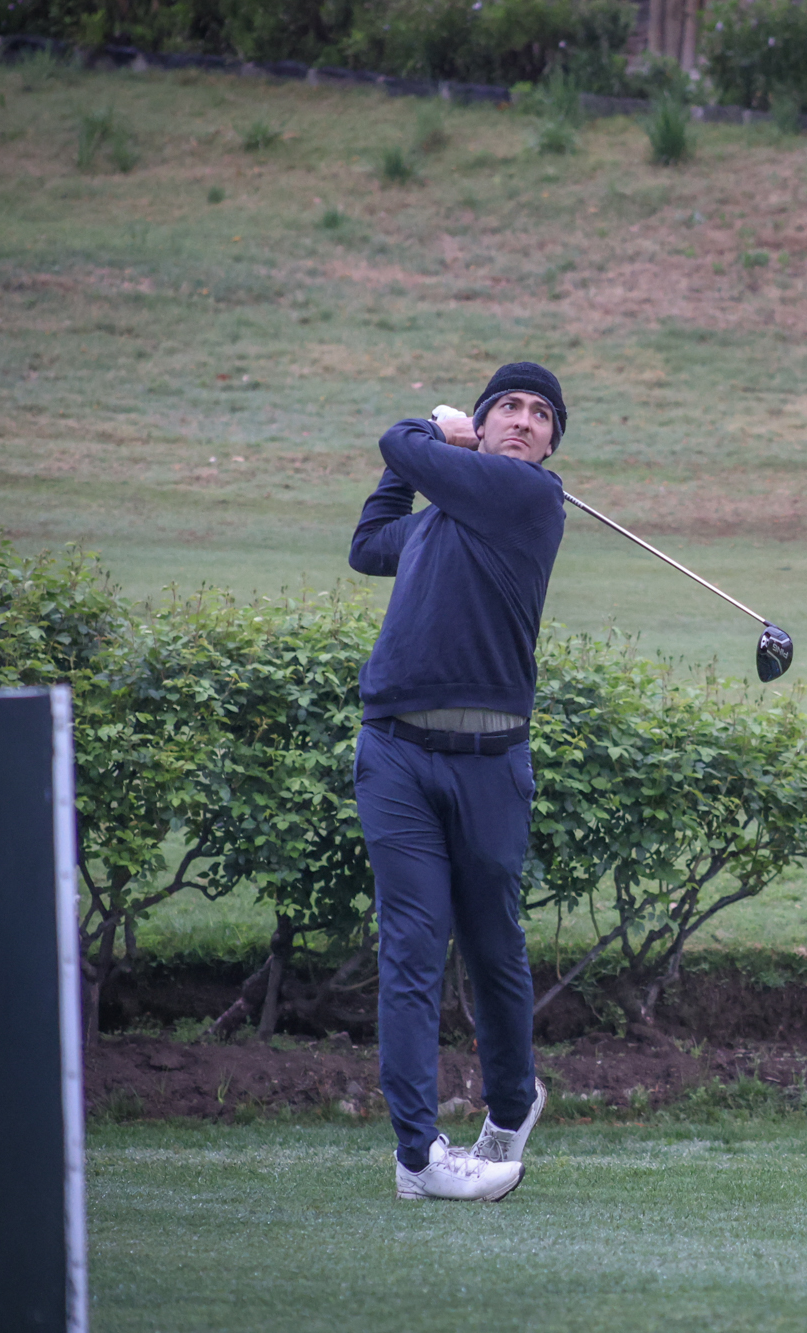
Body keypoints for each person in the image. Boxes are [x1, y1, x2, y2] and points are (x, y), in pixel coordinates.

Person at [347, 362, 567, 1201]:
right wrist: (419, 459)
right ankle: (418, 1158)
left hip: (492, 763)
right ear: (485, 423)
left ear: (547, 446)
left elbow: (399, 442)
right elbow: (371, 542)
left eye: (540, 414)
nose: (524, 419)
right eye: (508, 406)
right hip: (397, 753)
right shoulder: (443, 520)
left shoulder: (531, 499)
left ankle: (510, 1104)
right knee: (410, 947)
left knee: (491, 944)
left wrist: (432, 431)